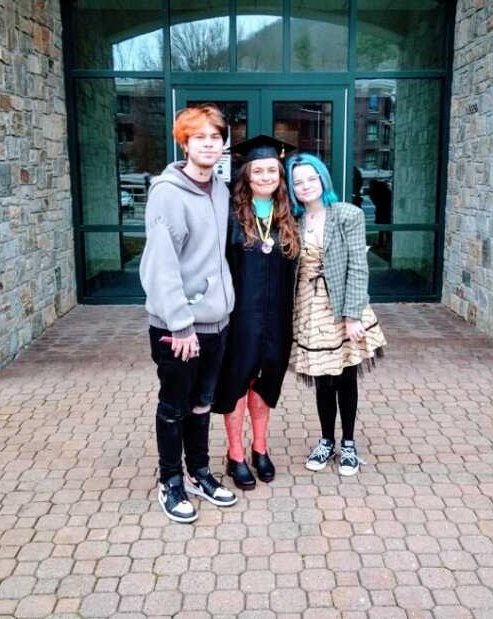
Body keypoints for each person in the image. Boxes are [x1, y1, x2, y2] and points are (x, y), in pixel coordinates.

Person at [139, 104, 238, 523]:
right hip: (180, 328)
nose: (209, 144)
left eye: (215, 137)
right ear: (185, 141)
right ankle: (170, 481)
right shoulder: (167, 192)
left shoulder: (219, 188)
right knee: (174, 405)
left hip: (217, 322)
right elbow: (161, 266)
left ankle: (198, 472)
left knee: (202, 403)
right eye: (200, 137)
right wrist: (180, 325)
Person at [286, 153, 387, 477]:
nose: (305, 186)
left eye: (310, 179)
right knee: (322, 380)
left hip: (342, 307)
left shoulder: (347, 215)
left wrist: (352, 315)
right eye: (298, 181)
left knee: (345, 377)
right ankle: (326, 439)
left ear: (323, 180)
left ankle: (348, 444)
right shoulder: (292, 220)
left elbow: (358, 266)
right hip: (307, 309)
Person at [213, 135, 300, 490]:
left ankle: (260, 447)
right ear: (246, 175)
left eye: (272, 171)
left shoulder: (290, 215)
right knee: (236, 384)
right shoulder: (229, 215)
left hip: (278, 316)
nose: (265, 177)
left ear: (280, 176)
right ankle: (235, 455)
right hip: (239, 316)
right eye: (258, 170)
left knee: (266, 383)